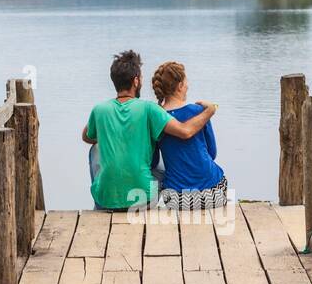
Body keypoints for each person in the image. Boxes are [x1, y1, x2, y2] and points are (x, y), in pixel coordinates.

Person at [83, 50, 217, 211]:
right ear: (136, 81)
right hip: (145, 198)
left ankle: (103, 200)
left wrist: (113, 134)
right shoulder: (149, 108)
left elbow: (87, 137)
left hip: (104, 200)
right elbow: (185, 131)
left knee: (95, 150)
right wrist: (209, 111)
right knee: (161, 161)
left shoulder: (99, 110)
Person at [150, 61, 228, 210]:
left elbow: (153, 161)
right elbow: (212, 153)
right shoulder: (199, 111)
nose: (188, 85)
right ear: (180, 86)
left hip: (176, 199)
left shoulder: (156, 117)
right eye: (186, 81)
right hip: (214, 194)